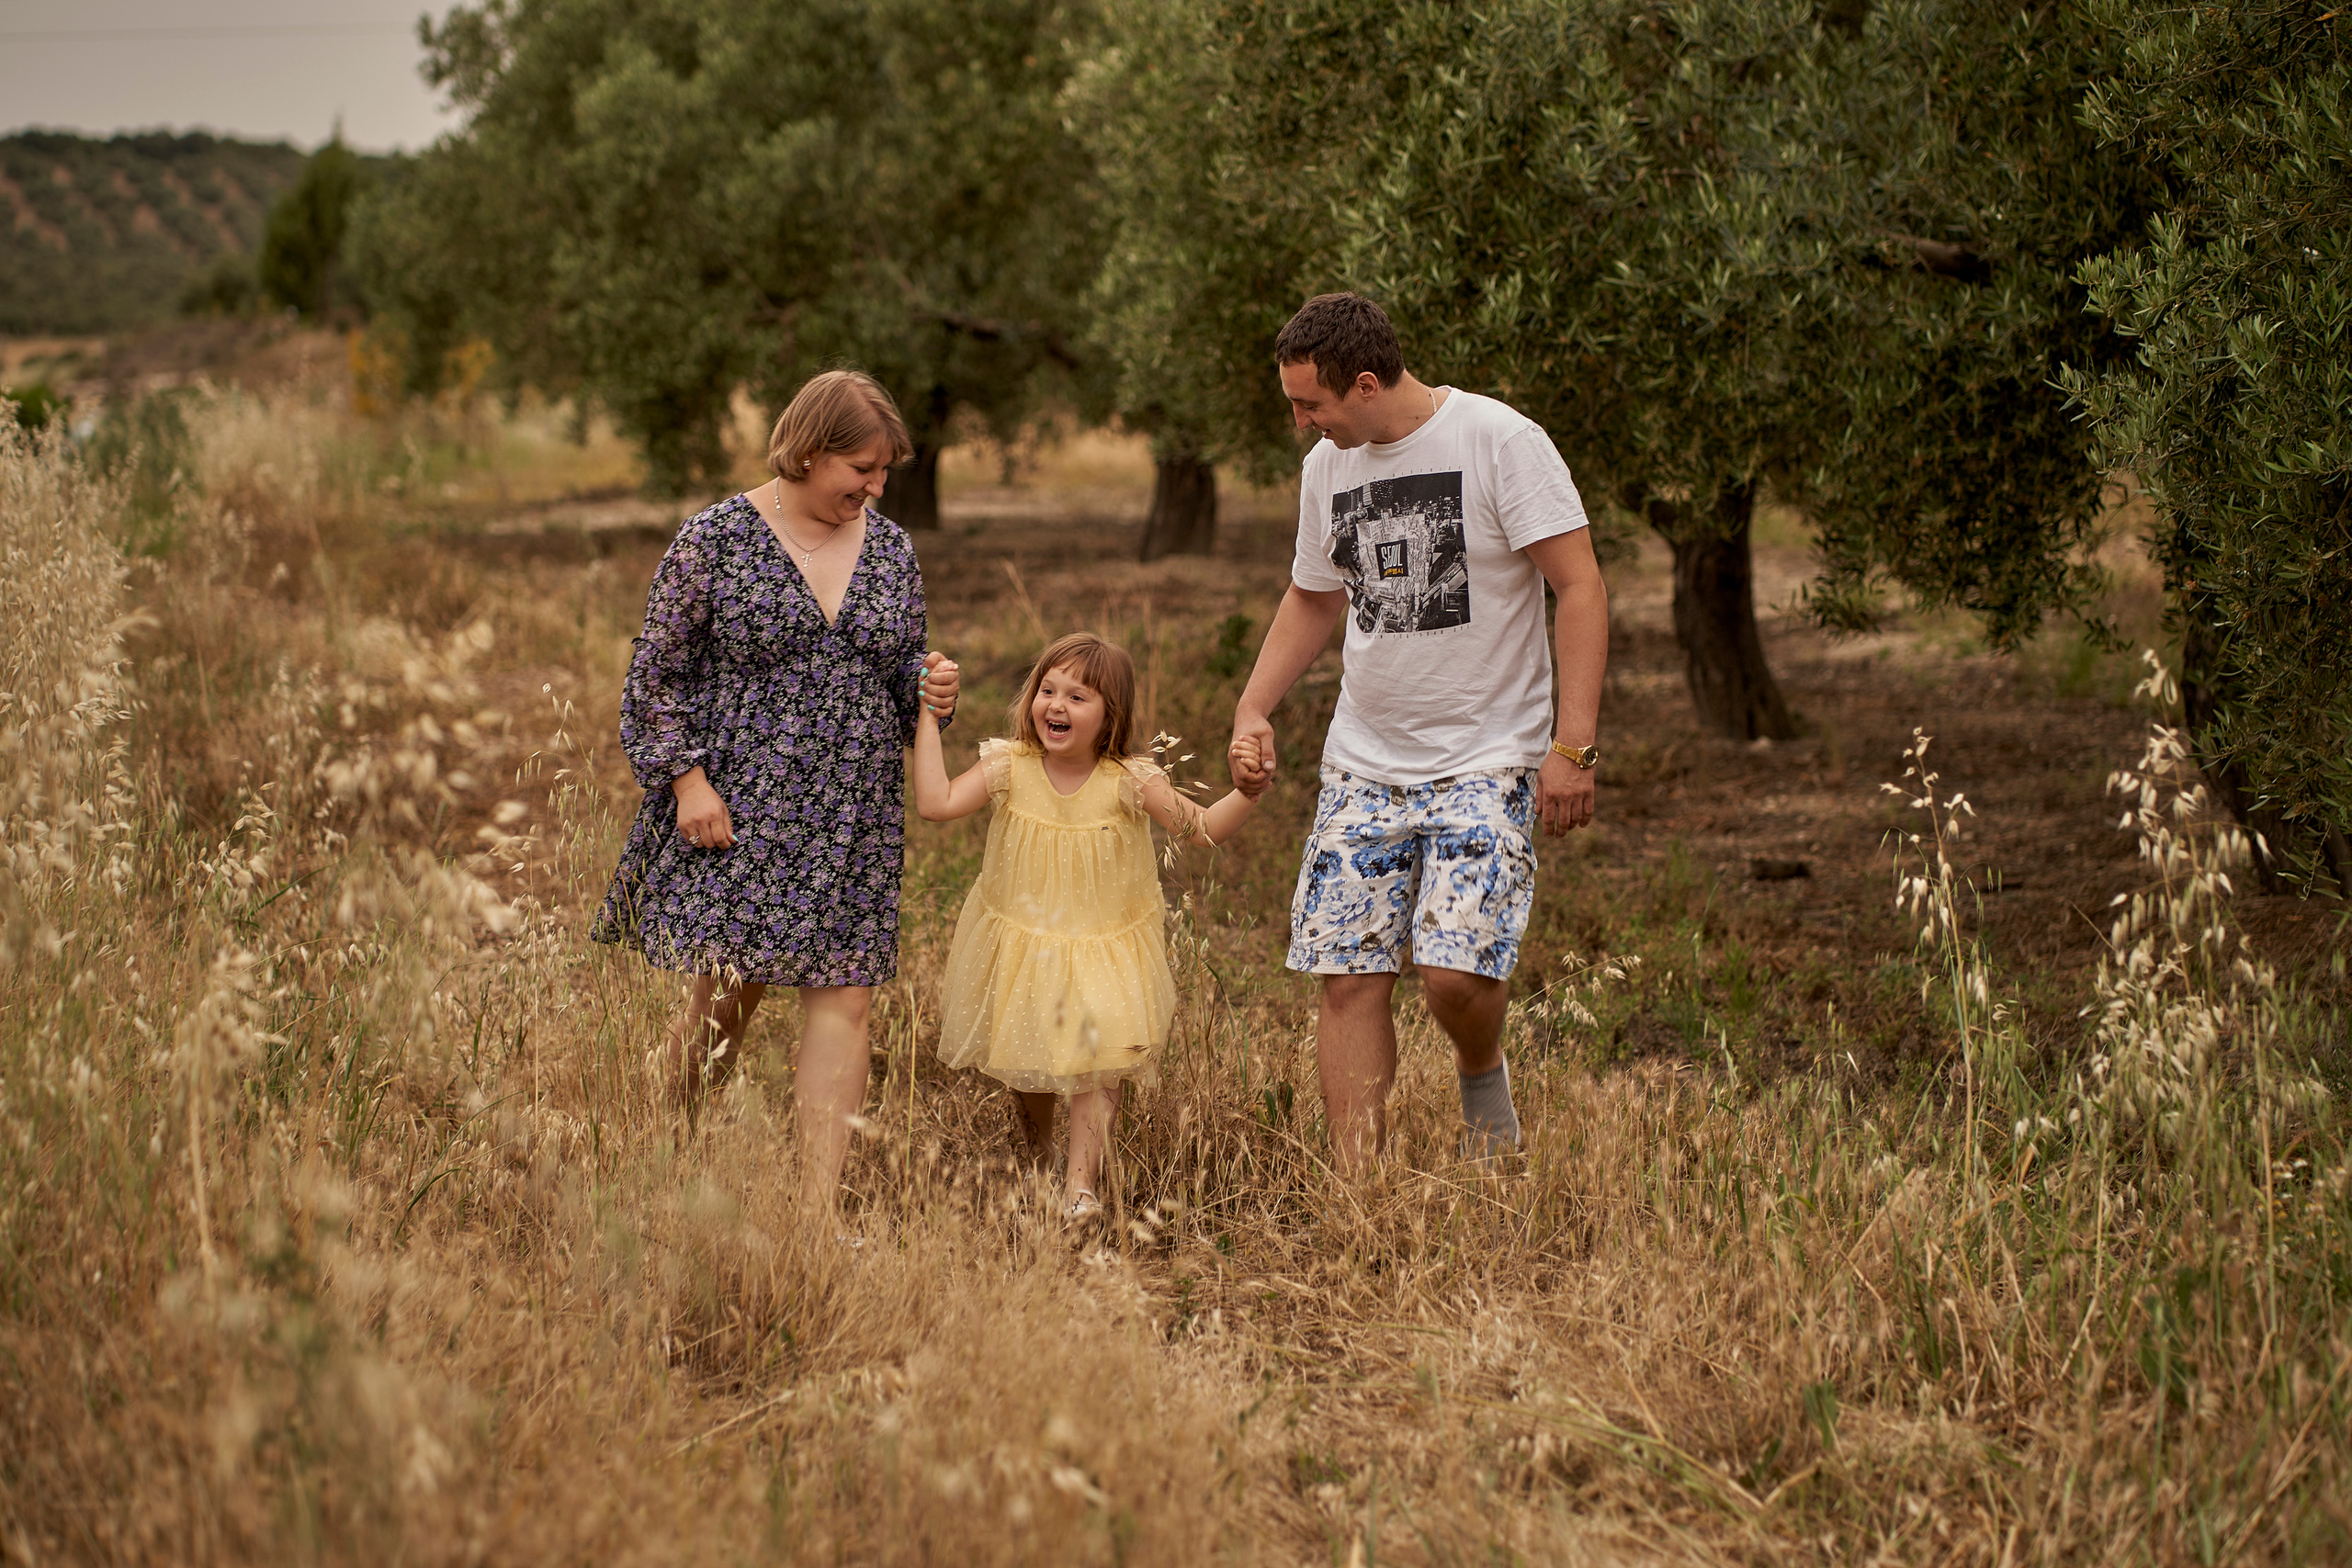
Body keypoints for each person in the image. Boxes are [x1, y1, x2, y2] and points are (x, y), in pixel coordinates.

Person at [1227, 293, 1609, 1171]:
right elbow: (1313, 597)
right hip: (1365, 762)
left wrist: (1572, 745)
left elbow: (1579, 586)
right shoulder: (1329, 466)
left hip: (1489, 754)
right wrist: (1254, 706)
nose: (1301, 423)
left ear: (1366, 384)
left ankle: (1481, 1071)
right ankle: (1357, 1187)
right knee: (1349, 977)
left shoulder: (1499, 441)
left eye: (1311, 403)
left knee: (1454, 974)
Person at [589, 369, 962, 1217]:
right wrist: (687, 782)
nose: (872, 487)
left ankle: (813, 1214)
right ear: (806, 449)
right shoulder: (712, 541)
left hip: (852, 809)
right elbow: (655, 678)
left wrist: (929, 685)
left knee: (847, 997)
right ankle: (665, 1149)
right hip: (738, 804)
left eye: (882, 475)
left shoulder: (892, 548)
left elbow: (898, 668)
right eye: (860, 469)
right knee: (726, 997)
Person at [910, 633, 1265, 1219]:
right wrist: (928, 718)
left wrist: (1246, 794)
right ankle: (1037, 1161)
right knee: (1025, 1058)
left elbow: (1201, 829)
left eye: (1078, 697)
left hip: (1102, 945)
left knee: (1092, 1062)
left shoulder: (1127, 780)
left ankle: (1081, 1187)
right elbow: (935, 802)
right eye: (1047, 690)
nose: (1055, 705)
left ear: (1110, 716)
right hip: (1025, 940)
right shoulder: (1009, 766)